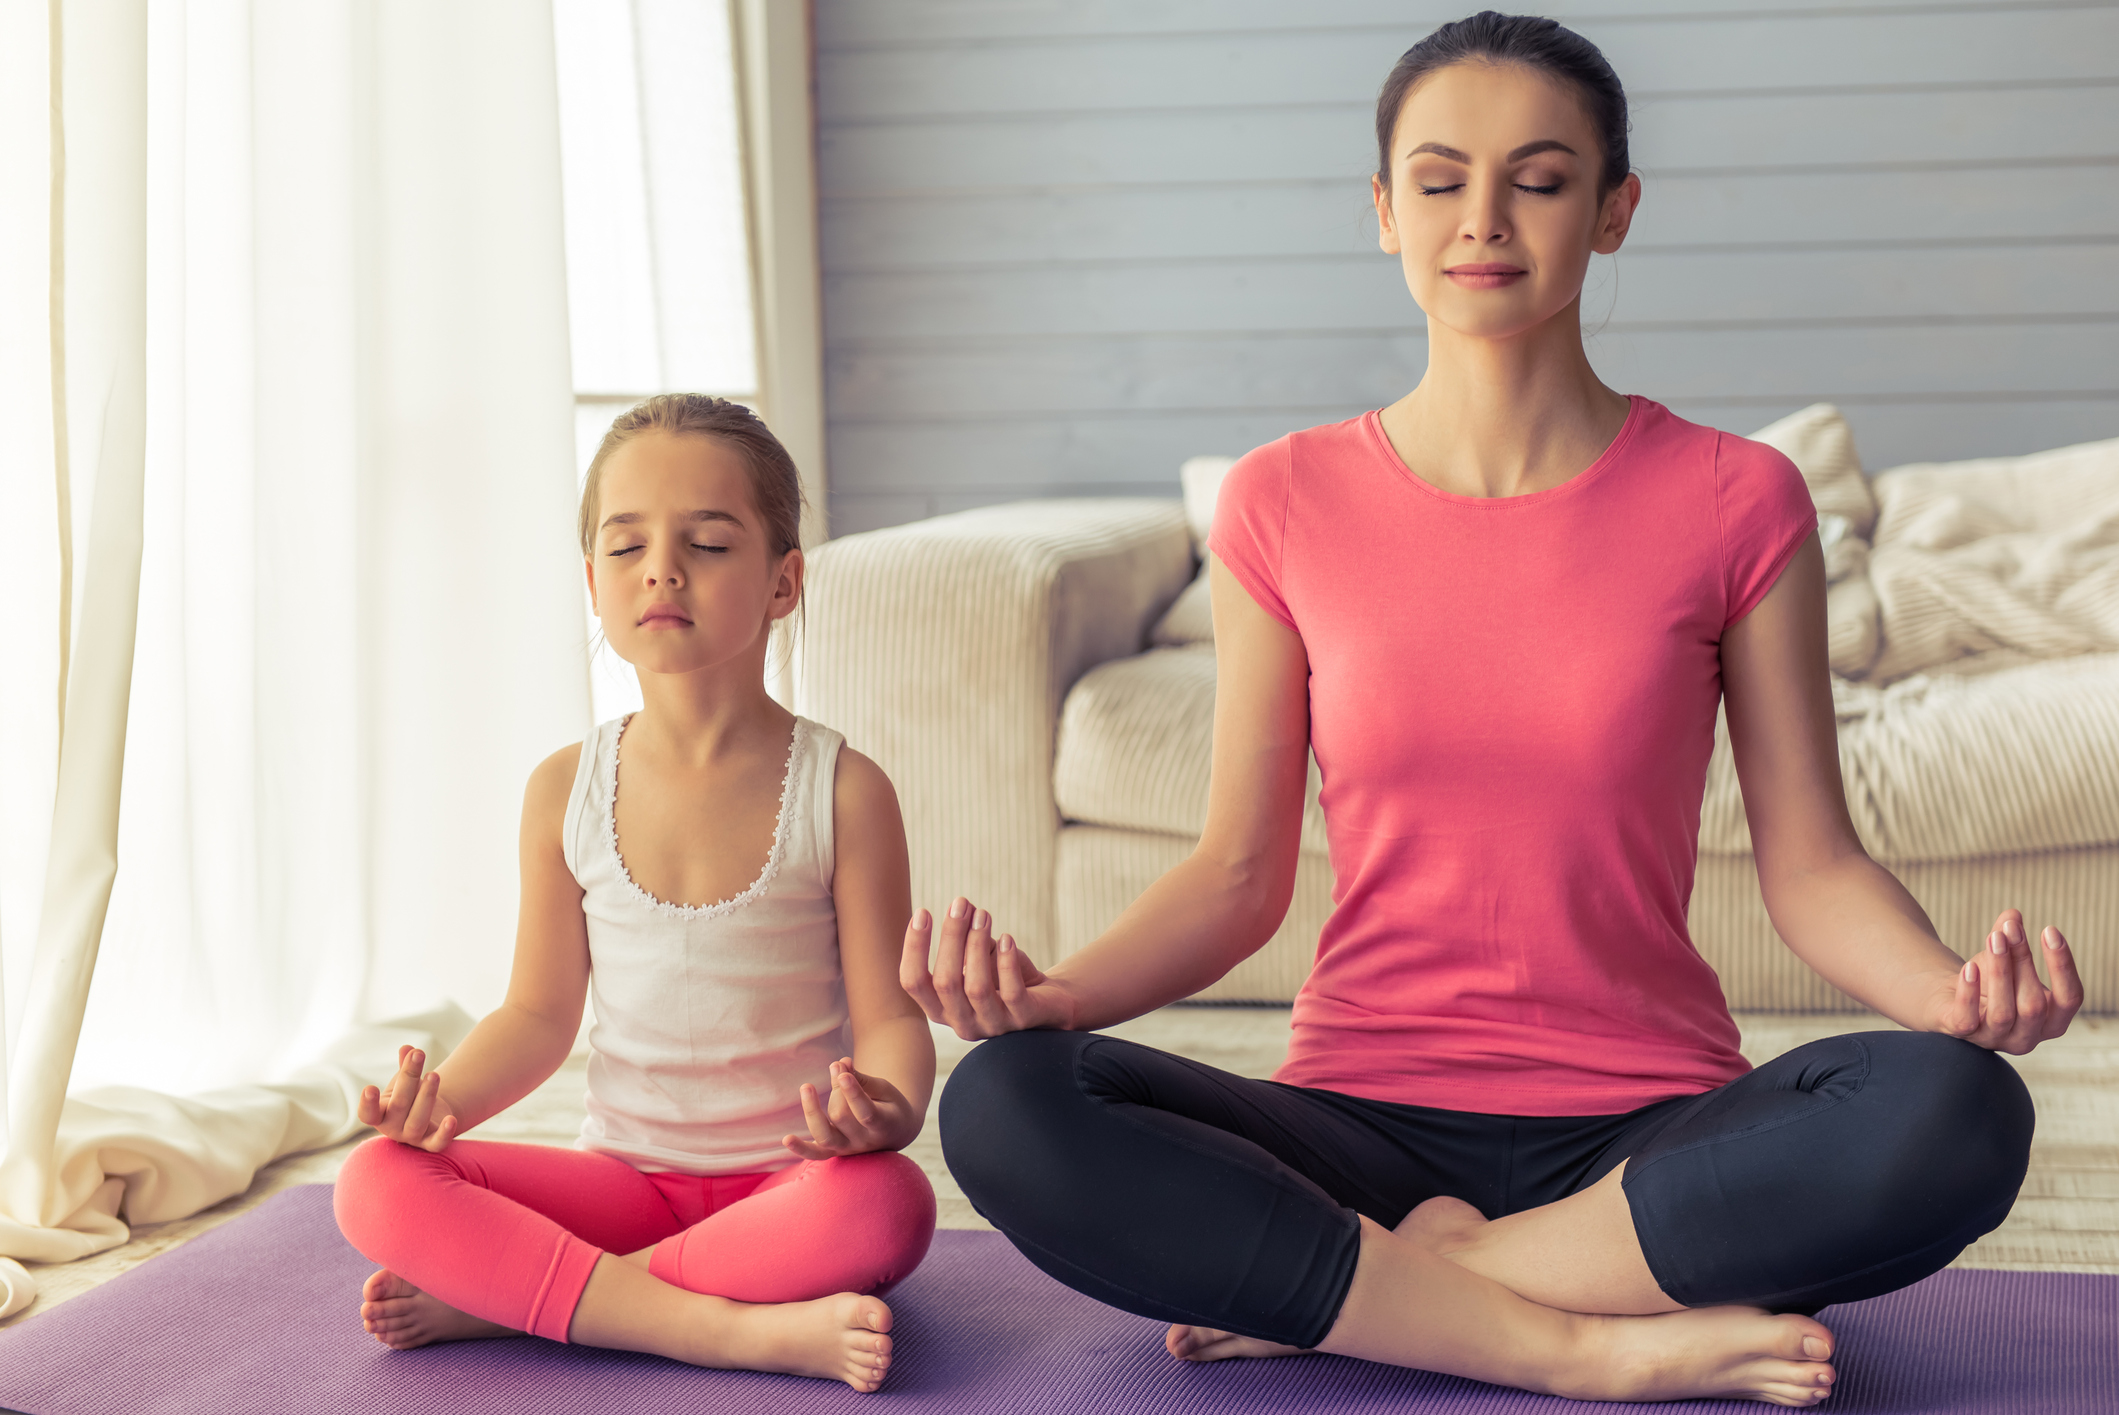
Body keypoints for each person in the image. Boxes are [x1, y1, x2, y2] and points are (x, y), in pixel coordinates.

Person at [901, 12, 2081, 1408]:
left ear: (1612, 210)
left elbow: (1811, 864)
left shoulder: (1734, 497)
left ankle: (1377, 1292)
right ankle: (1580, 1340)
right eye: (1438, 178)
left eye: (1538, 178)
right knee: (1006, 1098)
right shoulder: (1282, 500)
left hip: (1645, 1143)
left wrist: (1946, 995)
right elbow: (1233, 876)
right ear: (1382, 210)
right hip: (1353, 1126)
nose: (1483, 218)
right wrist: (1051, 997)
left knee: (1954, 1109)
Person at [333, 395, 937, 1393]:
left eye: (708, 542)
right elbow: (537, 1014)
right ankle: (728, 1328)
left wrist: (889, 1109)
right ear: (593, 582)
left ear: (783, 581)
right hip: (620, 1186)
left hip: (790, 1188)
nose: (661, 569)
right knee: (375, 1179)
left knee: (889, 1203)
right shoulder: (561, 788)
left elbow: (889, 1018)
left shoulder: (844, 790)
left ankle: (524, 1298)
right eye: (626, 547)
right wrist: (441, 1104)